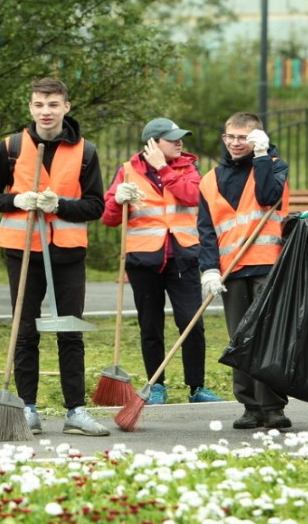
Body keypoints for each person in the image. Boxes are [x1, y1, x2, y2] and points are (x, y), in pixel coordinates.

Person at [0, 77, 109, 436]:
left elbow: (96, 205)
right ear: (30, 106)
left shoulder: (86, 152)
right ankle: (29, 408)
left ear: (66, 107)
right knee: (25, 331)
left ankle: (75, 411)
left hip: (67, 252)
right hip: (22, 251)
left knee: (69, 331)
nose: (45, 111)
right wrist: (15, 200)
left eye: (52, 105)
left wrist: (61, 205)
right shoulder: (11, 148)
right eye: (38, 104)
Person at [101, 117, 225, 405]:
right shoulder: (127, 171)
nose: (180, 142)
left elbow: (192, 196)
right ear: (153, 143)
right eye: (172, 138)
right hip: (144, 261)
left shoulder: (190, 168)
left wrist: (163, 168)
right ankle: (156, 386)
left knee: (191, 323)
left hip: (183, 258)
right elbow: (108, 220)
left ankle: (197, 387)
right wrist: (117, 201)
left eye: (180, 137)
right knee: (151, 326)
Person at [197, 112, 291, 429]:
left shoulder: (274, 165)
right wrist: (208, 269)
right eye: (231, 137)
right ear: (224, 138)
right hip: (230, 270)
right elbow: (207, 230)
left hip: (267, 264)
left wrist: (262, 156)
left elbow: (267, 196)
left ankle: (273, 406)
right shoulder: (209, 180)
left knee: (267, 336)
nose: (236, 143)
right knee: (239, 338)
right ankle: (250, 406)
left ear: (256, 139)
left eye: (244, 137)